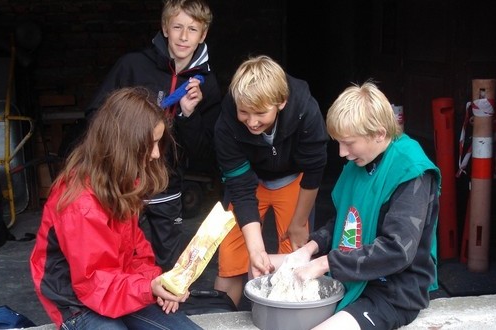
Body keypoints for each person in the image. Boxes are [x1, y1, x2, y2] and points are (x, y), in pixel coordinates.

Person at [270, 81, 441, 330]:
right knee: (269, 280)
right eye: (338, 142)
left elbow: (397, 250)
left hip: (392, 291)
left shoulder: (411, 171)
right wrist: (309, 249)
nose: (341, 152)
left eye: (349, 143)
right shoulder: (359, 163)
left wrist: (323, 263)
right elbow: (345, 222)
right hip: (350, 277)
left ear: (379, 133)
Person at [30, 87, 203, 330]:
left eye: (157, 143)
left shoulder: (123, 180)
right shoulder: (81, 204)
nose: (155, 154)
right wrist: (146, 289)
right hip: (78, 301)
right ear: (124, 145)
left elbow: (136, 249)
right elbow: (92, 285)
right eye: (150, 144)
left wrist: (158, 283)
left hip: (119, 286)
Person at [80, 0, 222, 272]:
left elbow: (204, 152)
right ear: (165, 28)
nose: (183, 36)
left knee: (165, 264)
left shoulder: (208, 85)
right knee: (114, 257)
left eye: (192, 29)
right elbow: (95, 115)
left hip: (167, 186)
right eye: (177, 26)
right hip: (121, 183)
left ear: (203, 35)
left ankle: (160, 312)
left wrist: (189, 115)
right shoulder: (132, 66)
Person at [213, 55, 329, 306]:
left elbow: (314, 168)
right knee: (231, 253)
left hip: (293, 180)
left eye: (260, 113)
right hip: (250, 180)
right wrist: (255, 250)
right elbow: (240, 189)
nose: (252, 122)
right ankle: (220, 315)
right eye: (244, 112)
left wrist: (299, 223)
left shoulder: (305, 110)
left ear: (281, 103)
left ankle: (288, 313)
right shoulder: (226, 123)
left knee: (294, 251)